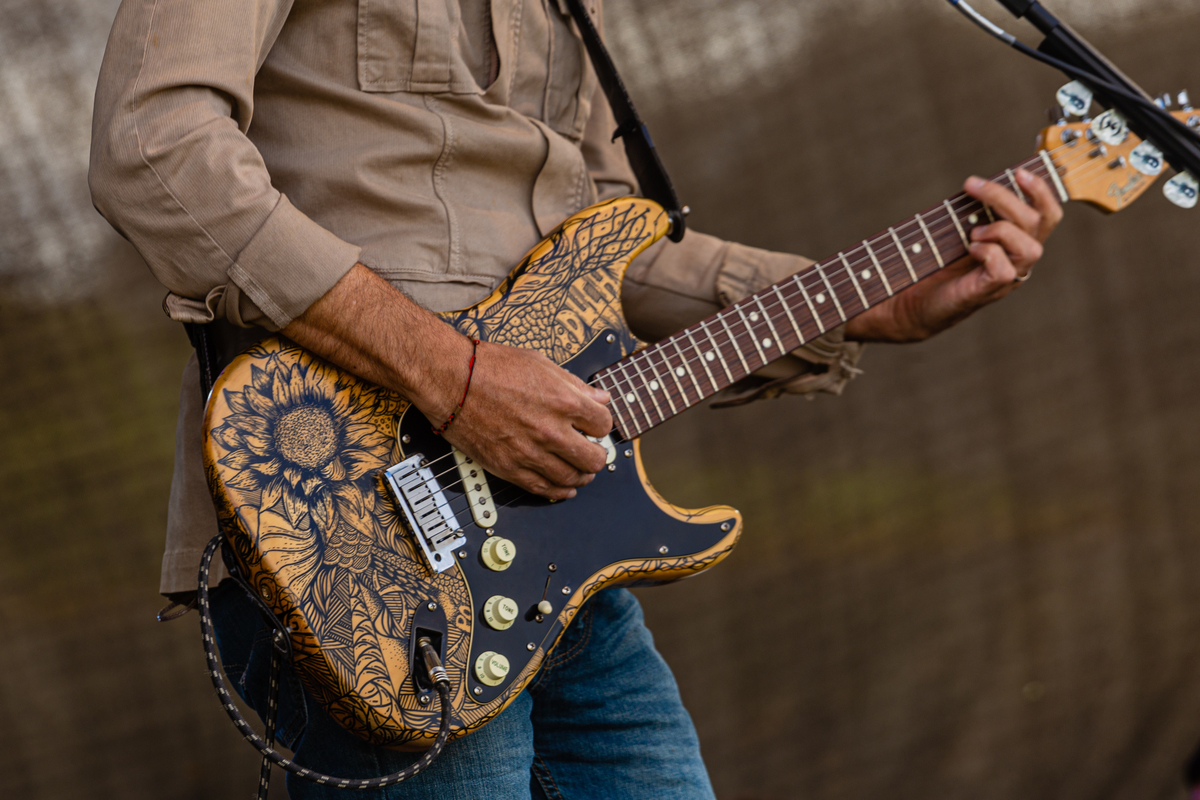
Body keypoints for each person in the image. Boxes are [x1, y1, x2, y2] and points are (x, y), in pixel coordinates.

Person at [89, 0, 1062, 797]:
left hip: (554, 559)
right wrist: (452, 376)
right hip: (357, 535)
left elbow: (606, 246)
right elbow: (153, 146)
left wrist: (872, 303)